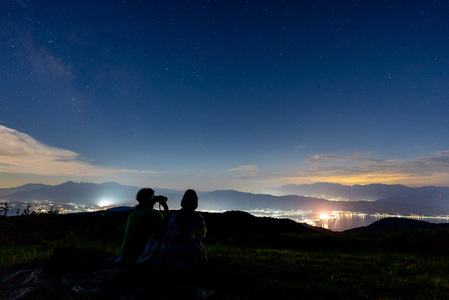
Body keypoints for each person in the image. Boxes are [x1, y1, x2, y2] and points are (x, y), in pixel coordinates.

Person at [150, 189, 207, 273]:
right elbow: (202, 235)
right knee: (197, 241)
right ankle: (197, 267)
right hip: (180, 267)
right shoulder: (198, 218)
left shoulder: (173, 216)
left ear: (182, 202)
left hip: (161, 264)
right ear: (196, 204)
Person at [119, 188, 169, 265]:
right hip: (138, 257)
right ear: (150, 201)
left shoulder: (132, 214)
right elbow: (168, 226)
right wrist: (165, 206)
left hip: (125, 255)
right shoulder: (153, 214)